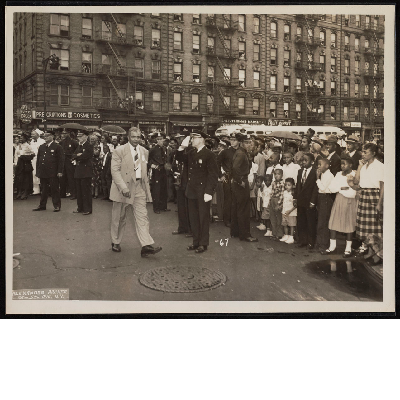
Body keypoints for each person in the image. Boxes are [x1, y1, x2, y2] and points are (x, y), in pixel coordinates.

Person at [109, 126, 162, 257]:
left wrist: (145, 187)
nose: (136, 139)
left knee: (142, 216)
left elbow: (143, 171)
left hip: (138, 187)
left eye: (138, 137)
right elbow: (114, 171)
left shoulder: (144, 151)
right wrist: (123, 188)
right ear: (128, 137)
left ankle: (146, 245)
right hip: (123, 188)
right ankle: (116, 241)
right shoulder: (119, 151)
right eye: (133, 137)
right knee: (119, 217)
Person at [185, 130, 219, 253]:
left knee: (203, 217)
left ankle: (203, 243)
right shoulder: (191, 152)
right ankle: (196, 242)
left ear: (200, 139)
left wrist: (209, 191)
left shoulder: (209, 154)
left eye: (194, 138)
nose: (191, 140)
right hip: (192, 190)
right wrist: (182, 146)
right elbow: (179, 157)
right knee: (193, 217)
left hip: (203, 191)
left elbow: (213, 175)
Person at [349, 143, 384, 255]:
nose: (363, 154)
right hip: (364, 196)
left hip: (374, 196)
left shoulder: (380, 166)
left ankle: (377, 254)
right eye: (362, 152)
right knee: (365, 227)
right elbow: (356, 182)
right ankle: (368, 250)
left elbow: (383, 186)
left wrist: (380, 203)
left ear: (373, 153)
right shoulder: (363, 166)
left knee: (374, 227)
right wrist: (359, 167)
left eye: (365, 152)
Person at [322, 155, 357, 257]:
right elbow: (331, 188)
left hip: (349, 201)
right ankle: (332, 247)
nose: (342, 166)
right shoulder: (338, 174)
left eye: (344, 164)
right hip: (338, 200)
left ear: (350, 165)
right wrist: (341, 188)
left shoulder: (354, 175)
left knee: (349, 225)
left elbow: (352, 192)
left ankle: (348, 249)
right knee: (333, 223)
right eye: (341, 164)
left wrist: (341, 189)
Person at [230, 132, 258, 243]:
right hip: (241, 182)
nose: (249, 145)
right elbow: (235, 167)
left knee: (237, 208)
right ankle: (245, 235)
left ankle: (236, 232)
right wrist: (239, 180)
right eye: (246, 142)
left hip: (239, 182)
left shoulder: (240, 152)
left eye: (249, 142)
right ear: (241, 143)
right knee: (243, 210)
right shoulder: (241, 153)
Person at [32, 131, 64, 212]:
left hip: (53, 172)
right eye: (44, 136)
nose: (45, 137)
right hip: (43, 171)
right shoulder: (42, 147)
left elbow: (61, 160)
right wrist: (38, 171)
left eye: (47, 136)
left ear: (52, 136)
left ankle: (57, 206)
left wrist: (60, 171)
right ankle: (42, 205)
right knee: (44, 189)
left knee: (54, 189)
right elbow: (39, 160)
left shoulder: (57, 147)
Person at [294, 153, 318, 250]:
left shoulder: (315, 172)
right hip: (301, 200)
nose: (303, 162)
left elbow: (315, 188)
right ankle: (302, 240)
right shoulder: (300, 171)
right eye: (302, 160)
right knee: (301, 221)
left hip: (309, 201)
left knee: (310, 222)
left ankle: (311, 242)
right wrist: (295, 198)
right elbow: (298, 186)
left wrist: (313, 201)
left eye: (306, 160)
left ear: (312, 162)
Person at [172, 135, 192, 236]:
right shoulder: (179, 151)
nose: (180, 141)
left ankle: (190, 229)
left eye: (182, 139)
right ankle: (182, 228)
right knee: (181, 207)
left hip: (188, 183)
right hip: (180, 182)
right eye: (179, 139)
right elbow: (175, 163)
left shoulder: (191, 152)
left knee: (189, 208)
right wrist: (175, 173)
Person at [315, 158, 335, 251]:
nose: (318, 166)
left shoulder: (329, 175)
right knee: (320, 222)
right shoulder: (323, 174)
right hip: (321, 198)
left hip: (325, 198)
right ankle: (319, 243)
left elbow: (322, 188)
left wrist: (317, 178)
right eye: (318, 164)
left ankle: (323, 244)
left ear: (327, 166)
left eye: (320, 164)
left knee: (323, 222)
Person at [72, 131, 93, 215]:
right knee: (79, 191)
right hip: (79, 171)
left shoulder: (89, 146)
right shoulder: (79, 145)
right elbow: (73, 155)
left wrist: (78, 156)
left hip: (86, 171)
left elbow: (85, 157)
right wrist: (78, 155)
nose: (79, 138)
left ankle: (87, 209)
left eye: (81, 136)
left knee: (86, 191)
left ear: (86, 137)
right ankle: (80, 207)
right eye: (78, 136)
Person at [217, 134, 236, 227]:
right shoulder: (225, 152)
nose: (233, 142)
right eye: (231, 140)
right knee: (228, 199)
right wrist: (221, 175)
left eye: (235, 140)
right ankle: (227, 220)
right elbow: (217, 163)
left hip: (238, 178)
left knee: (237, 199)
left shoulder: (241, 152)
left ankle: (235, 219)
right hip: (227, 178)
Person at [149, 133, 169, 214]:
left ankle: (163, 206)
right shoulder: (153, 149)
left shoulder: (165, 149)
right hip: (157, 170)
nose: (160, 141)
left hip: (164, 170)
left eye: (161, 139)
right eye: (158, 139)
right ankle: (156, 207)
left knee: (164, 188)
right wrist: (152, 165)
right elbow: (148, 159)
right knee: (157, 189)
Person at [59, 129, 79, 200]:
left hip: (70, 161)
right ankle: (62, 193)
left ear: (69, 133)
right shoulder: (61, 142)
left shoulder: (74, 142)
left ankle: (74, 194)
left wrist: (74, 157)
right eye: (62, 133)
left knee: (71, 178)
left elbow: (78, 151)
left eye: (65, 133)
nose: (63, 135)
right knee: (62, 178)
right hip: (63, 161)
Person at [15, 135, 35, 200]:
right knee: (20, 178)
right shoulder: (18, 146)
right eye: (20, 138)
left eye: (22, 138)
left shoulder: (28, 146)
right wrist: (16, 163)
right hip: (19, 164)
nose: (20, 139)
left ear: (25, 139)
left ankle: (26, 193)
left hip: (26, 164)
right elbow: (16, 155)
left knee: (26, 179)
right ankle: (20, 192)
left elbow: (33, 154)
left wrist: (24, 157)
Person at [269, 166, 285, 239]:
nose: (276, 175)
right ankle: (274, 233)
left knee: (279, 218)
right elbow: (272, 192)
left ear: (282, 175)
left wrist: (279, 204)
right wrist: (270, 201)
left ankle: (279, 234)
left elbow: (282, 194)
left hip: (278, 201)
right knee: (273, 218)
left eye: (278, 174)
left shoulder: (282, 183)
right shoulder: (273, 182)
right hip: (273, 200)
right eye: (275, 174)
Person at [280, 177, 297, 244]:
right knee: (285, 224)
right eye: (286, 185)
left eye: (289, 185)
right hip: (284, 211)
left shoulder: (293, 194)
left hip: (291, 212)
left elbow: (295, 205)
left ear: (293, 186)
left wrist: (290, 211)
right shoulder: (284, 192)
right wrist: (280, 206)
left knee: (291, 225)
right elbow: (284, 201)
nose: (287, 186)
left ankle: (291, 237)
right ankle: (286, 235)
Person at [29, 129, 45, 195]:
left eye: (33, 134)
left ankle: (43, 189)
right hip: (32, 159)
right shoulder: (31, 142)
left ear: (38, 135)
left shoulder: (42, 141)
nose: (32, 135)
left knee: (40, 174)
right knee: (33, 174)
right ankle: (36, 189)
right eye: (31, 134)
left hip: (40, 160)